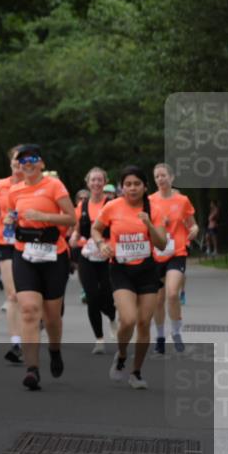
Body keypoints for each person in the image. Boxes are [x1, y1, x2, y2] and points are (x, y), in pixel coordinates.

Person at [5, 144, 75, 391]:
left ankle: (54, 350)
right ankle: (32, 369)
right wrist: (9, 222)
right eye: (22, 160)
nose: (28, 163)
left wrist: (43, 217)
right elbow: (12, 219)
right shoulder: (14, 191)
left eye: (32, 158)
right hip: (24, 253)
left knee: (52, 316)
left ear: (42, 163)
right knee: (29, 310)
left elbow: (71, 217)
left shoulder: (54, 186)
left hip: (53, 254)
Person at [91, 166, 168, 389]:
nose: (132, 188)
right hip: (121, 269)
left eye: (137, 184)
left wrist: (149, 225)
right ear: (121, 187)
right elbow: (96, 229)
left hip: (147, 269)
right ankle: (122, 355)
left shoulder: (154, 209)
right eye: (128, 184)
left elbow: (162, 244)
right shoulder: (112, 206)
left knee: (144, 322)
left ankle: (136, 372)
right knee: (129, 318)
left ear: (145, 187)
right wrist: (101, 244)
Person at [150, 163, 198, 354]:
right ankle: (160, 336)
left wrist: (194, 230)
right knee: (158, 300)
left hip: (177, 251)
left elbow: (193, 225)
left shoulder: (183, 200)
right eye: (157, 177)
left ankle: (176, 332)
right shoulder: (149, 200)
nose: (160, 179)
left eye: (163, 175)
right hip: (155, 254)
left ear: (172, 178)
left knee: (171, 294)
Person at [68, 167, 116, 355]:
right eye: (93, 180)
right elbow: (77, 229)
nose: (96, 183)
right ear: (87, 183)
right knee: (91, 295)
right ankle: (99, 339)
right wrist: (74, 236)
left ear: (105, 183)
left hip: (107, 255)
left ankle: (112, 317)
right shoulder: (82, 206)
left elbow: (118, 227)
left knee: (106, 293)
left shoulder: (112, 204)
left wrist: (110, 245)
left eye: (99, 180)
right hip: (87, 256)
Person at [0, 145, 25, 363]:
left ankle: (31, 324)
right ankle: (16, 342)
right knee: (12, 294)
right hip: (5, 242)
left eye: (22, 160)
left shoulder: (34, 186)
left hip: (29, 242)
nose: (18, 164)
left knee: (27, 295)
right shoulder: (0, 185)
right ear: (10, 161)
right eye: (15, 159)